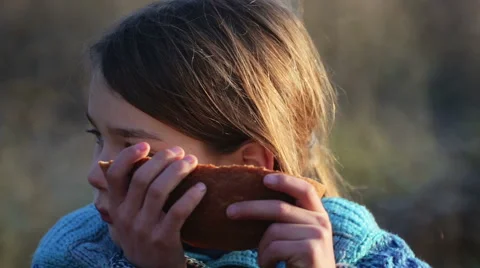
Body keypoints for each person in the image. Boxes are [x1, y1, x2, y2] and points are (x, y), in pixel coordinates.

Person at [32, 0, 430, 267]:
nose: (94, 172)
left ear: (247, 167)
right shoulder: (76, 251)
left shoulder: (351, 246)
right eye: (98, 137)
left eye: (133, 148)